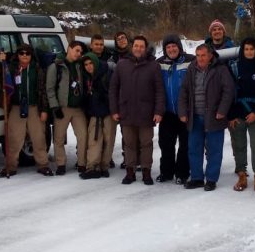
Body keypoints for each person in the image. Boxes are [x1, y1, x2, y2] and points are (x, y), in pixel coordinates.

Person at [178, 44, 235, 191]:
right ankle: (197, 178)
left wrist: (222, 110)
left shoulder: (220, 69)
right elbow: (184, 91)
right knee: (194, 149)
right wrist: (183, 112)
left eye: (203, 55)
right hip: (194, 116)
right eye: (198, 55)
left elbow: (228, 91)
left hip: (214, 116)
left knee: (214, 150)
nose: (200, 58)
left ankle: (211, 179)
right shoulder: (191, 69)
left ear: (210, 56)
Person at [110, 35, 165, 185]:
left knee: (146, 144)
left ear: (145, 48)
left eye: (141, 46)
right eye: (136, 46)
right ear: (132, 47)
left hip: (146, 113)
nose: (138, 48)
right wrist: (114, 110)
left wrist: (158, 111)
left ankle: (146, 172)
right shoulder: (122, 64)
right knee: (129, 144)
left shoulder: (153, 65)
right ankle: (130, 172)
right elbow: (114, 88)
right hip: (126, 111)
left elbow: (159, 90)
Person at [0, 44, 52, 178]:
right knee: (14, 138)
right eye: (21, 53)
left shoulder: (37, 69)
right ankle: (10, 166)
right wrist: (1, 62)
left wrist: (44, 110)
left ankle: (43, 165)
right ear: (18, 55)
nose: (24, 55)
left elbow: (43, 91)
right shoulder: (11, 68)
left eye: (27, 53)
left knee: (38, 138)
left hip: (34, 107)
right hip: (17, 107)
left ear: (31, 55)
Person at [228, 37, 255, 194]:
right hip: (238, 114)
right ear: (242, 50)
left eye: (252, 49)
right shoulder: (234, 67)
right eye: (246, 49)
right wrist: (231, 115)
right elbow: (229, 92)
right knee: (239, 146)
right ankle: (242, 176)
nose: (249, 52)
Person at [157, 34, 195, 184]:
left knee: (185, 145)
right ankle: (166, 172)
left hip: (185, 111)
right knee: (166, 144)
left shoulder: (190, 61)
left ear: (179, 47)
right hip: (167, 112)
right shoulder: (159, 64)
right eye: (168, 47)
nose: (171, 49)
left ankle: (182, 173)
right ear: (165, 49)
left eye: (174, 46)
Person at [46, 41, 88, 175]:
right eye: (76, 50)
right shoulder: (56, 66)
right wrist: (55, 106)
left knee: (83, 136)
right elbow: (50, 89)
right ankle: (61, 164)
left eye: (80, 52)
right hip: (62, 108)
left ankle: (82, 163)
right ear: (69, 49)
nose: (78, 53)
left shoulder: (81, 66)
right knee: (58, 138)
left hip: (78, 109)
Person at [80, 52, 116, 179]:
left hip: (108, 112)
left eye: (90, 63)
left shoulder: (107, 72)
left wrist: (104, 97)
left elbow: (114, 91)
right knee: (94, 141)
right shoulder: (86, 77)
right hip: (95, 113)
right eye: (86, 64)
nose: (89, 66)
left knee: (108, 140)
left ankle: (104, 166)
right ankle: (92, 167)